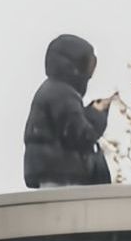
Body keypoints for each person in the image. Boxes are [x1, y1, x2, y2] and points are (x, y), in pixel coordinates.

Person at [23, 34, 114, 188]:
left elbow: (69, 126)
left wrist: (88, 112)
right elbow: (81, 136)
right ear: (71, 64)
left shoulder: (55, 91)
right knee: (70, 211)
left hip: (54, 172)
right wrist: (97, 114)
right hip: (62, 176)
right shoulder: (62, 94)